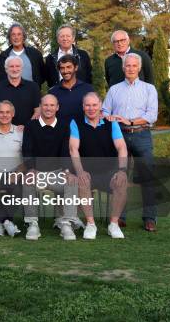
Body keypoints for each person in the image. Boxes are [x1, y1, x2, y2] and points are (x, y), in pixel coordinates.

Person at [102, 53, 159, 232]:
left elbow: (152, 115)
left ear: (139, 68)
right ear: (123, 68)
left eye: (134, 66)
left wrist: (131, 121)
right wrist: (109, 116)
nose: (131, 69)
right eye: (128, 66)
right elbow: (104, 111)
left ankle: (150, 218)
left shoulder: (149, 89)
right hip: (119, 136)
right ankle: (119, 217)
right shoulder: (114, 89)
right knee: (119, 178)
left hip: (142, 135)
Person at [70, 92, 129, 239]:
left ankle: (113, 224)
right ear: (83, 107)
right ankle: (91, 224)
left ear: (100, 105)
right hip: (87, 172)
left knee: (121, 182)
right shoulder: (75, 122)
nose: (91, 108)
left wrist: (122, 170)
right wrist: (80, 171)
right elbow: (73, 149)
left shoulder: (111, 123)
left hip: (109, 172)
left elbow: (121, 147)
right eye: (87, 105)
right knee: (82, 180)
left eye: (94, 105)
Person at [21, 94, 78, 241]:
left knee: (72, 181)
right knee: (27, 180)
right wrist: (31, 169)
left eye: (52, 105)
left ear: (57, 107)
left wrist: (67, 171)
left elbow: (65, 151)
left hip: (57, 172)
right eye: (45, 105)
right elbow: (27, 150)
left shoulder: (64, 126)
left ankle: (66, 223)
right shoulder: (30, 126)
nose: (48, 108)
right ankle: (32, 223)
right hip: (37, 172)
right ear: (40, 106)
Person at [0, 100, 23, 237]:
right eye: (1, 112)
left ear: (13, 114)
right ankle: (7, 222)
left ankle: (1, 223)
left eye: (8, 112)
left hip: (14, 172)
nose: (4, 115)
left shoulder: (20, 132)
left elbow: (25, 158)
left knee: (21, 186)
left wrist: (18, 173)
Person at [0, 56, 40, 127]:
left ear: (22, 68)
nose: (15, 69)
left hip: (28, 131)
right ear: (6, 69)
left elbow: (38, 111)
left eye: (17, 66)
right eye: (11, 66)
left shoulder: (33, 87)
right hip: (4, 132)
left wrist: (27, 127)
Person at [0, 23, 45, 87]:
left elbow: (42, 76)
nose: (16, 37)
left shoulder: (35, 54)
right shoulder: (3, 56)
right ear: (9, 38)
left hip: (31, 94)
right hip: (9, 95)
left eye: (19, 34)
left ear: (23, 36)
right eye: (13, 35)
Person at [48, 54, 94, 123]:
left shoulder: (88, 89)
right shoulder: (53, 92)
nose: (65, 71)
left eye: (68, 67)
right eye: (62, 68)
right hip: (61, 132)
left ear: (76, 68)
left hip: (83, 132)